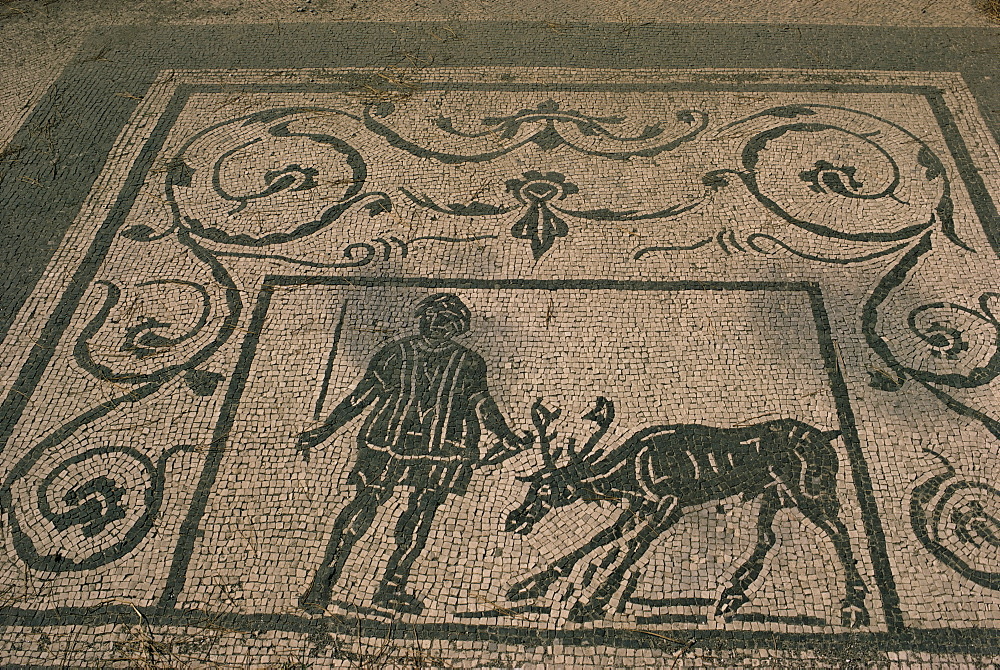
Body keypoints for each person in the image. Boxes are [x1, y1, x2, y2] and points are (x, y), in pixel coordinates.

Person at [296, 293, 532, 615]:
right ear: (424, 317)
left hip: (443, 448)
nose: (440, 325)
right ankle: (321, 584)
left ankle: (391, 587)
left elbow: (482, 404)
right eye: (435, 316)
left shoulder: (470, 362)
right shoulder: (395, 353)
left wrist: (507, 435)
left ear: (458, 329)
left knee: (420, 515)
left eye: (450, 322)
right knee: (364, 505)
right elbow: (362, 396)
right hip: (388, 441)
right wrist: (325, 430)